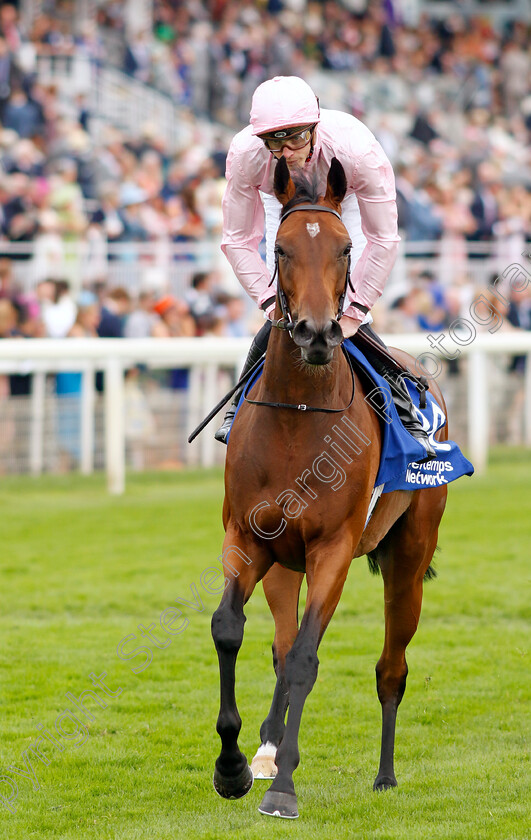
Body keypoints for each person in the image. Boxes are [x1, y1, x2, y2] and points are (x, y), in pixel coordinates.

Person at [215, 75, 435, 460]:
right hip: (282, 203)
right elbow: (237, 239)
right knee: (288, 303)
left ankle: (403, 406)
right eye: (274, 143)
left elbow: (383, 238)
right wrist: (269, 300)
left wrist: (356, 311)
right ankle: (238, 404)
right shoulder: (246, 154)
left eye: (297, 138)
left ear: (315, 127)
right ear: (259, 139)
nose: (286, 153)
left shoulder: (357, 150)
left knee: (343, 307)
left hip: (343, 201)